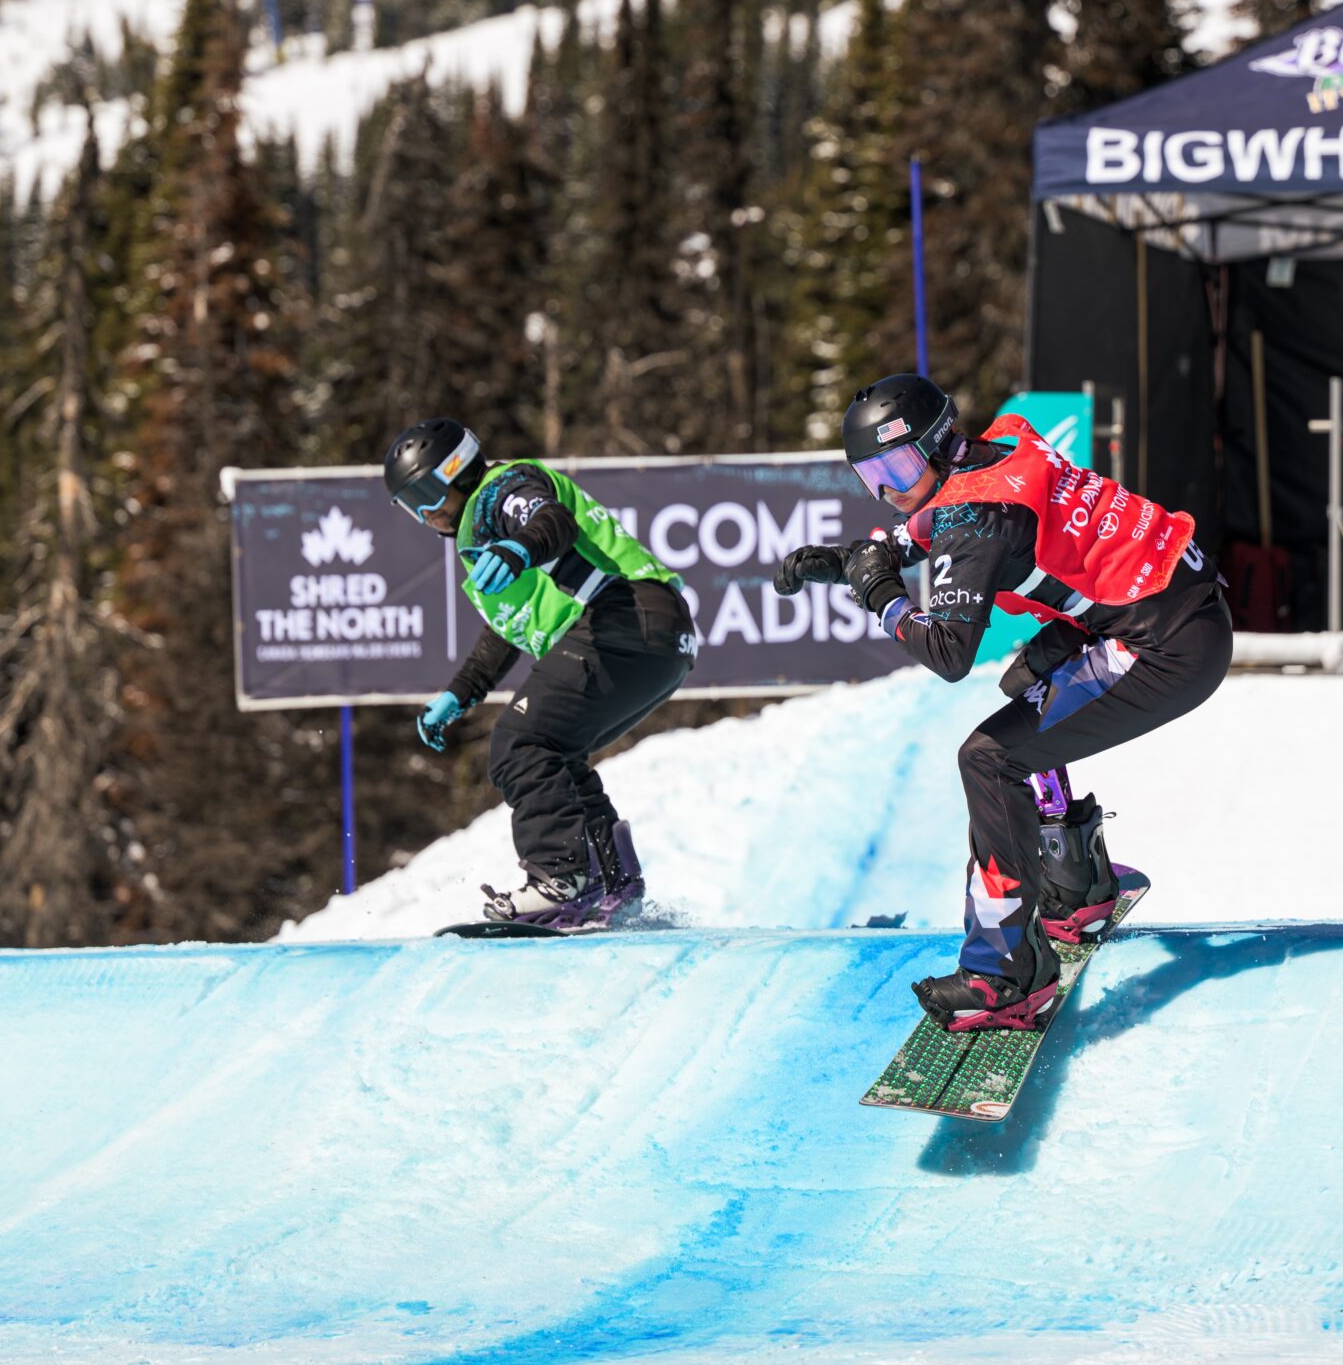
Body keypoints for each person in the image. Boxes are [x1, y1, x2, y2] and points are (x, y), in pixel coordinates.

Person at [775, 374, 1233, 1030]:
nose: (892, 490)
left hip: (1166, 641)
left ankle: (1008, 975)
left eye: (899, 465)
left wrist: (879, 594)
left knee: (989, 758)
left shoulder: (974, 517)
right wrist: (847, 561)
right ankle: (1077, 890)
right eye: (872, 477)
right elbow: (937, 521)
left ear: (937, 444)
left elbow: (946, 654)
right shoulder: (1004, 441)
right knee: (1028, 687)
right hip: (1174, 601)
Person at [384, 418, 697, 930]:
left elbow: (551, 521)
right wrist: (460, 692)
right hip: (656, 637)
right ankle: (611, 883)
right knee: (553, 751)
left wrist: (519, 548)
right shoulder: (483, 531)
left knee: (519, 744)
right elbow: (509, 629)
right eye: (407, 506)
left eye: (423, 495)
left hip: (624, 617)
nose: (422, 516)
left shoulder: (498, 493)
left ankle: (562, 880)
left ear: (454, 472)